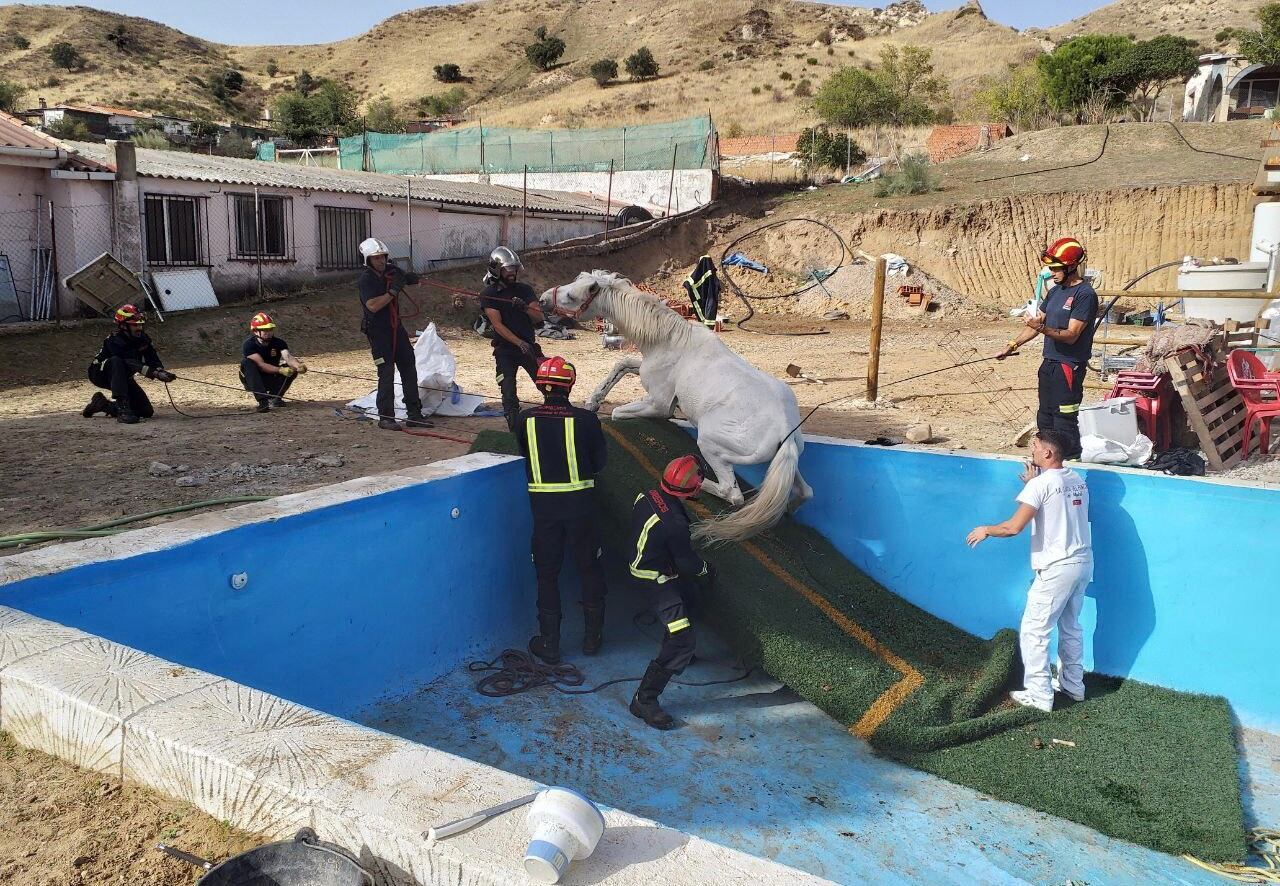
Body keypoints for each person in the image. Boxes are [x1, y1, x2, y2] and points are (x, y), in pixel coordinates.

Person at [965, 429, 1093, 713]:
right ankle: (1074, 687)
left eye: (1034, 447)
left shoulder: (1041, 485)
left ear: (1047, 453)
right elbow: (1056, 499)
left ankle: (1040, 695)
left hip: (1056, 568)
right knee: (1070, 627)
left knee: (1034, 630)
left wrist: (986, 529)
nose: (1031, 451)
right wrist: (1035, 482)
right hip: (1082, 563)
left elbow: (1013, 527)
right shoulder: (1078, 481)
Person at [517, 357, 609, 665]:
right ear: (570, 385)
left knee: (546, 575)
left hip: (544, 512)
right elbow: (599, 463)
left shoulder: (524, 419)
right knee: (590, 569)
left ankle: (550, 643)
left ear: (540, 385)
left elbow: (525, 454)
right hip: (581, 508)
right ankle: (592, 639)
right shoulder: (586, 420)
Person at [625, 455, 718, 730]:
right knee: (682, 639)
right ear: (694, 489)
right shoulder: (675, 523)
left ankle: (681, 656)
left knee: (690, 598)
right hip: (653, 577)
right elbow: (689, 562)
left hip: (651, 563)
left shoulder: (648, 494)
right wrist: (705, 571)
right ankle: (645, 699)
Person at [996, 237, 1098, 460]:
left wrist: (1040, 327)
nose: (1051, 272)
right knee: (1045, 417)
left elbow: (1071, 336)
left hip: (1069, 367)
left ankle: (1071, 463)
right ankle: (1046, 462)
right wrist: (1012, 345)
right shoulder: (1054, 292)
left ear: (1071, 267)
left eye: (1055, 268)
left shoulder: (1085, 295)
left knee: (1064, 419)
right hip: (1049, 364)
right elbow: (1037, 323)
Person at [357, 237, 427, 431]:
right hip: (378, 331)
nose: (381, 261)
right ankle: (386, 417)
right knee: (386, 372)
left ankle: (414, 414)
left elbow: (405, 278)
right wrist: (393, 291)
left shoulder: (391, 270)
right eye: (376, 258)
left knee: (409, 366)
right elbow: (373, 305)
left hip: (396, 327)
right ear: (367, 260)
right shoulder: (366, 279)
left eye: (383, 257)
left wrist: (411, 278)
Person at [480, 246, 544, 434]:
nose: (512, 273)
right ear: (497, 269)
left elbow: (538, 317)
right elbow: (497, 325)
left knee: (546, 382)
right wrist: (519, 343)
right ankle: (514, 426)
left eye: (514, 269)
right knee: (507, 387)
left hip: (529, 347)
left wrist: (524, 307)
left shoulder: (525, 290)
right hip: (505, 350)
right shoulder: (488, 294)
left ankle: (555, 414)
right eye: (508, 269)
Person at [82, 303, 175, 424]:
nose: (139, 328)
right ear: (124, 326)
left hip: (122, 377)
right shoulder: (114, 340)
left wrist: (160, 370)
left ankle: (102, 405)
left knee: (145, 411)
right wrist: (154, 373)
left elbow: (152, 358)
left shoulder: (143, 338)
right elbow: (129, 362)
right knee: (117, 361)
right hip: (100, 374)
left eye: (140, 324)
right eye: (135, 325)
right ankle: (122, 409)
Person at [240, 311, 307, 413]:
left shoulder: (279, 343)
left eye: (270, 329)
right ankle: (263, 402)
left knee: (291, 368)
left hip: (272, 376)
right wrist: (280, 370)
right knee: (247, 363)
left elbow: (288, 357)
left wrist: (298, 366)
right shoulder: (249, 345)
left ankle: (275, 397)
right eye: (265, 330)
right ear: (255, 331)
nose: (269, 332)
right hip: (254, 379)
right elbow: (261, 365)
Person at [683, 254, 720, 330]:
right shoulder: (712, 273)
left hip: (701, 299)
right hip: (711, 298)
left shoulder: (699, 272)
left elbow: (689, 283)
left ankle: (705, 328)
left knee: (703, 314)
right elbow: (717, 286)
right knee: (709, 312)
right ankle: (708, 328)